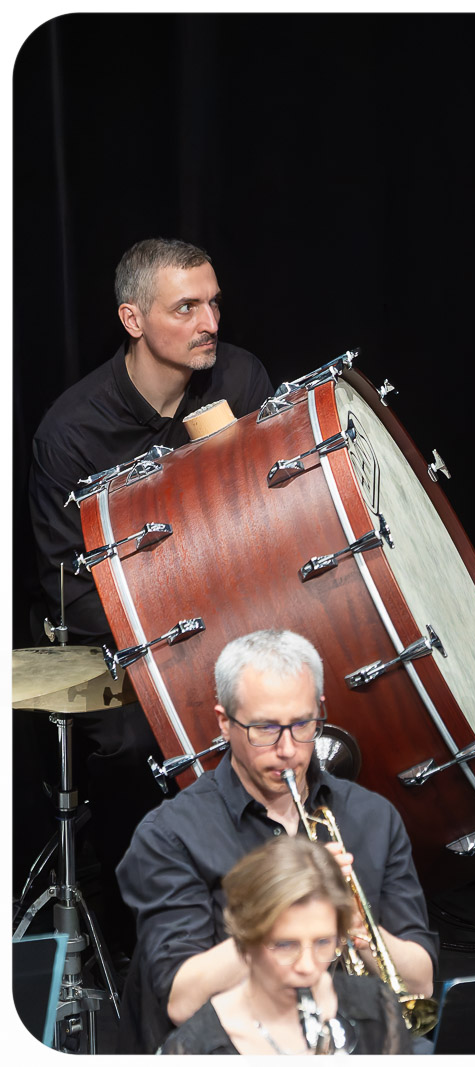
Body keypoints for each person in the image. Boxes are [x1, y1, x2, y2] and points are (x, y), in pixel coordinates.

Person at [24, 237, 273, 955]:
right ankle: (156, 934)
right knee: (132, 739)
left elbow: (270, 513)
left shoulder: (240, 378)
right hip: (134, 644)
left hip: (239, 619)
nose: (210, 321)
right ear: (133, 319)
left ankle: (281, 908)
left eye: (214, 302)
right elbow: (67, 588)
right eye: (186, 307)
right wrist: (179, 650)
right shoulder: (73, 433)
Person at [117, 629, 437, 1052]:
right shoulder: (171, 834)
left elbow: (421, 982)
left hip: (349, 1036)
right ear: (225, 722)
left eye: (303, 724)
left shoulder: (373, 816)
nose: (288, 750)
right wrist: (286, 911)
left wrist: (355, 924)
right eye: (265, 728)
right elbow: (181, 1000)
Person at [158, 836, 412, 1054]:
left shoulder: (377, 1006)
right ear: (247, 941)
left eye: (323, 942)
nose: (307, 967)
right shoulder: (194, 1049)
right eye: (285, 945)